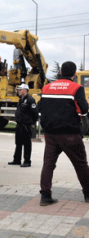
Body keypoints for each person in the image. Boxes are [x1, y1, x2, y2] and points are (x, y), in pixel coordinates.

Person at [39, 61, 89, 206]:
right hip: (70, 134)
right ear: (74, 74)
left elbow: (41, 109)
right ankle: (87, 194)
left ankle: (45, 196)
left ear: (60, 72)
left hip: (50, 133)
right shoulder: (77, 88)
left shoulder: (47, 87)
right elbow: (84, 110)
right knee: (80, 164)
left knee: (48, 164)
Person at [8, 84, 38, 167]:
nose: (18, 91)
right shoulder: (21, 100)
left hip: (26, 125)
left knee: (27, 144)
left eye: (20, 90)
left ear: (25, 90)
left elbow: (35, 113)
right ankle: (17, 160)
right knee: (18, 143)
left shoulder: (30, 100)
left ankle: (27, 161)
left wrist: (32, 123)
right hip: (19, 125)